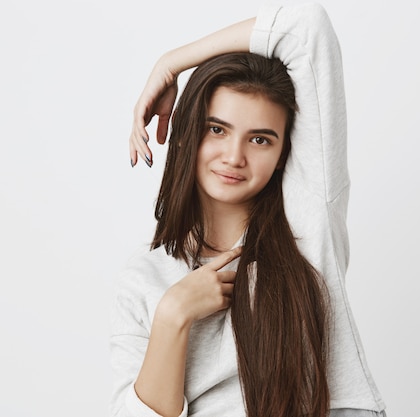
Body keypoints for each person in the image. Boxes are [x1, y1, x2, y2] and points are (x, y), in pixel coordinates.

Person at [111, 3, 386, 417]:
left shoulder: (308, 222)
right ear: (186, 135)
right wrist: (173, 315)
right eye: (216, 129)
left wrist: (171, 63)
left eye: (260, 140)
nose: (234, 157)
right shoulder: (145, 277)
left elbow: (305, 26)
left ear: (282, 155)